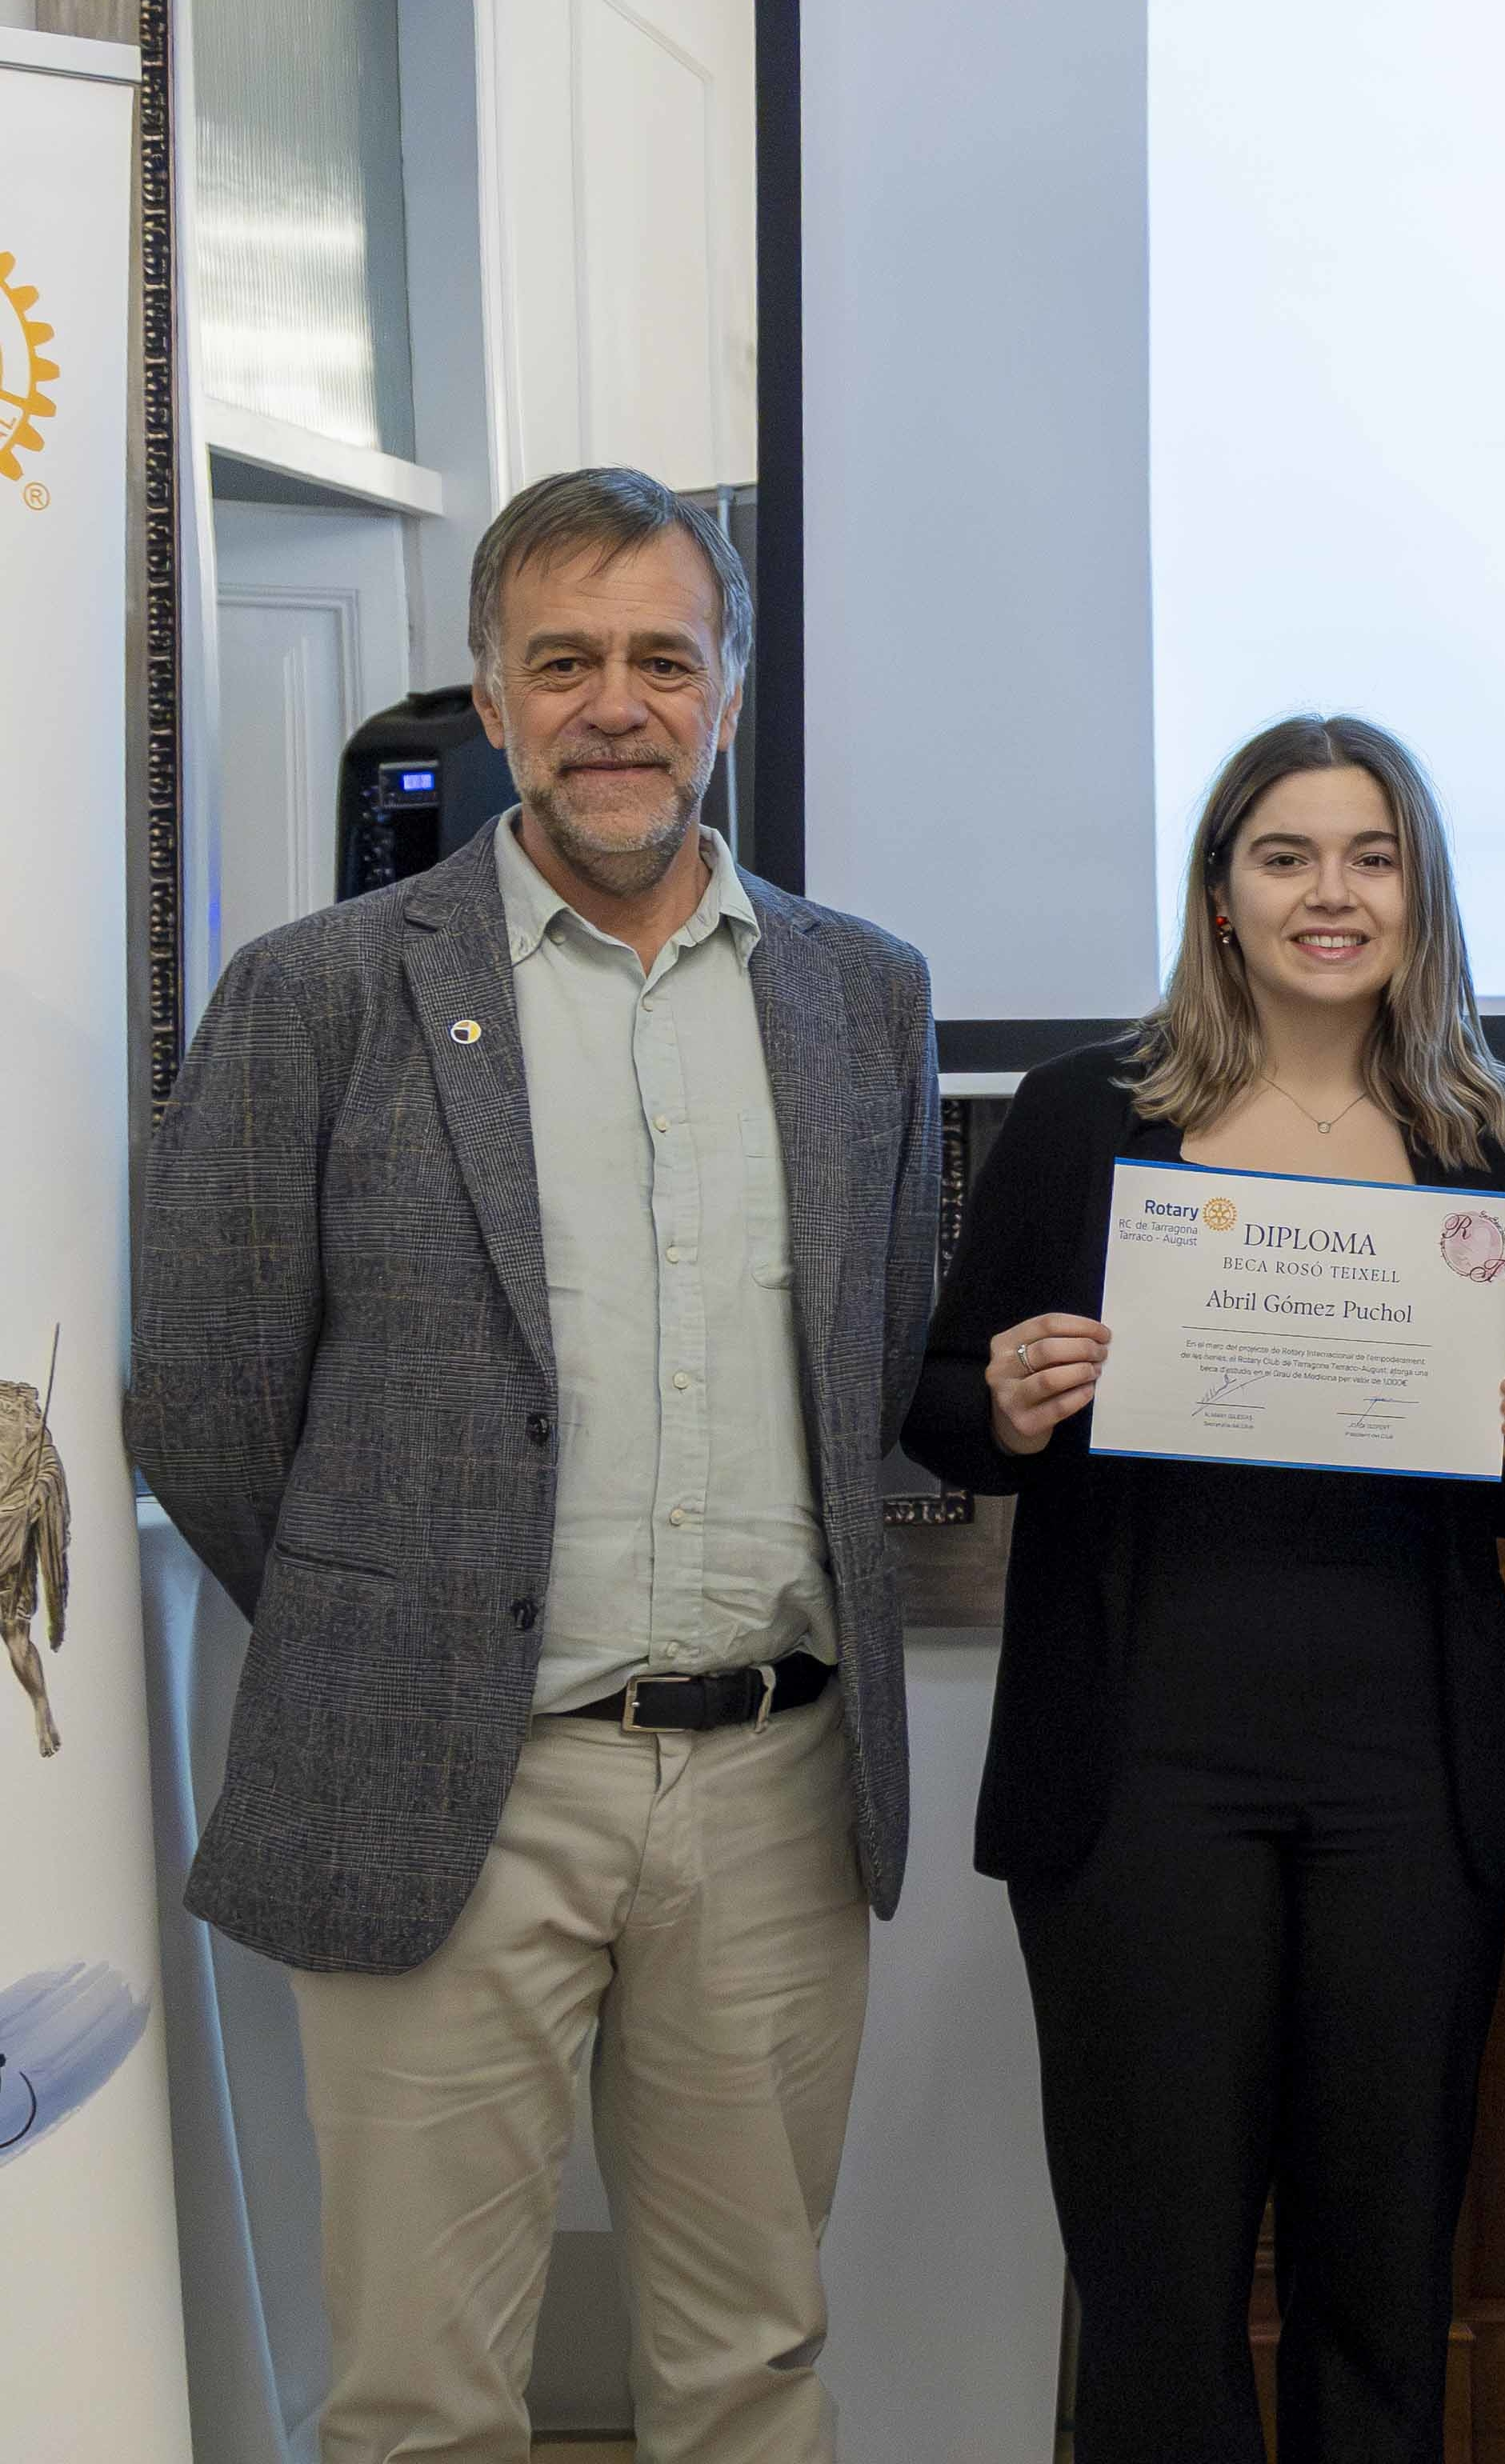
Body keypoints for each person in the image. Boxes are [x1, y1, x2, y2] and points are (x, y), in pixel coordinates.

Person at [131, 466, 937, 2462]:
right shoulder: (317, 997)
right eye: (560, 660)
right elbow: (213, 1405)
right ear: (489, 701)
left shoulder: (861, 999)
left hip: (770, 1791)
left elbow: (876, 1350)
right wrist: (399, 1625)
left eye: (662, 657)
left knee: (750, 2370)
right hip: (445, 1794)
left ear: (728, 693)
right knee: (418, 2394)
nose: (614, 704)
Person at [903, 717, 1505, 2461]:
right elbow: (934, 1400)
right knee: (1161, 2281)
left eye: (1370, 856)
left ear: (1417, 896)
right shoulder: (1079, 1120)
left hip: (1401, 1790)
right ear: (1220, 897)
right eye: (1285, 856)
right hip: (1141, 1778)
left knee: (1382, 2284)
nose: (1329, 893)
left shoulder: (1501, 1148)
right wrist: (999, 1398)